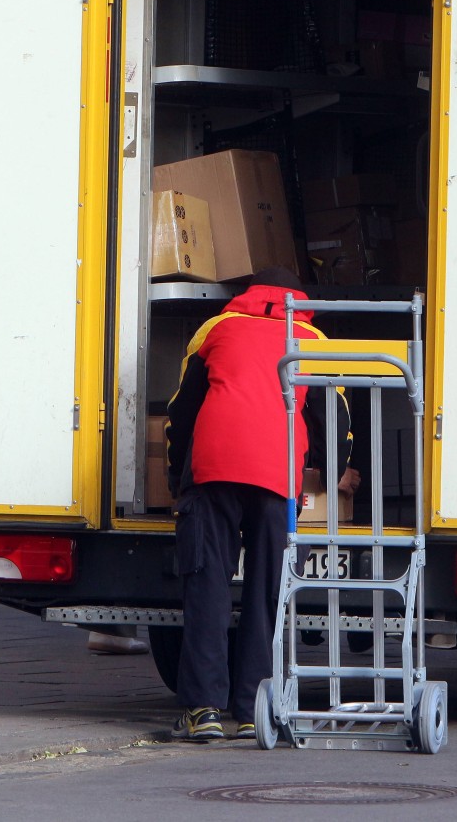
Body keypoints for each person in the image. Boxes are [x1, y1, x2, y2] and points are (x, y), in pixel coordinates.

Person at [164, 266, 354, 741]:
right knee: (267, 591)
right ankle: (253, 708)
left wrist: (176, 479)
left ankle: (202, 711)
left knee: (207, 585)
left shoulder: (216, 328)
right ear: (299, 297)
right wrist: (329, 478)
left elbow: (181, 410)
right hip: (278, 476)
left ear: (247, 294)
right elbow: (338, 423)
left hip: (213, 470)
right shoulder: (311, 337)